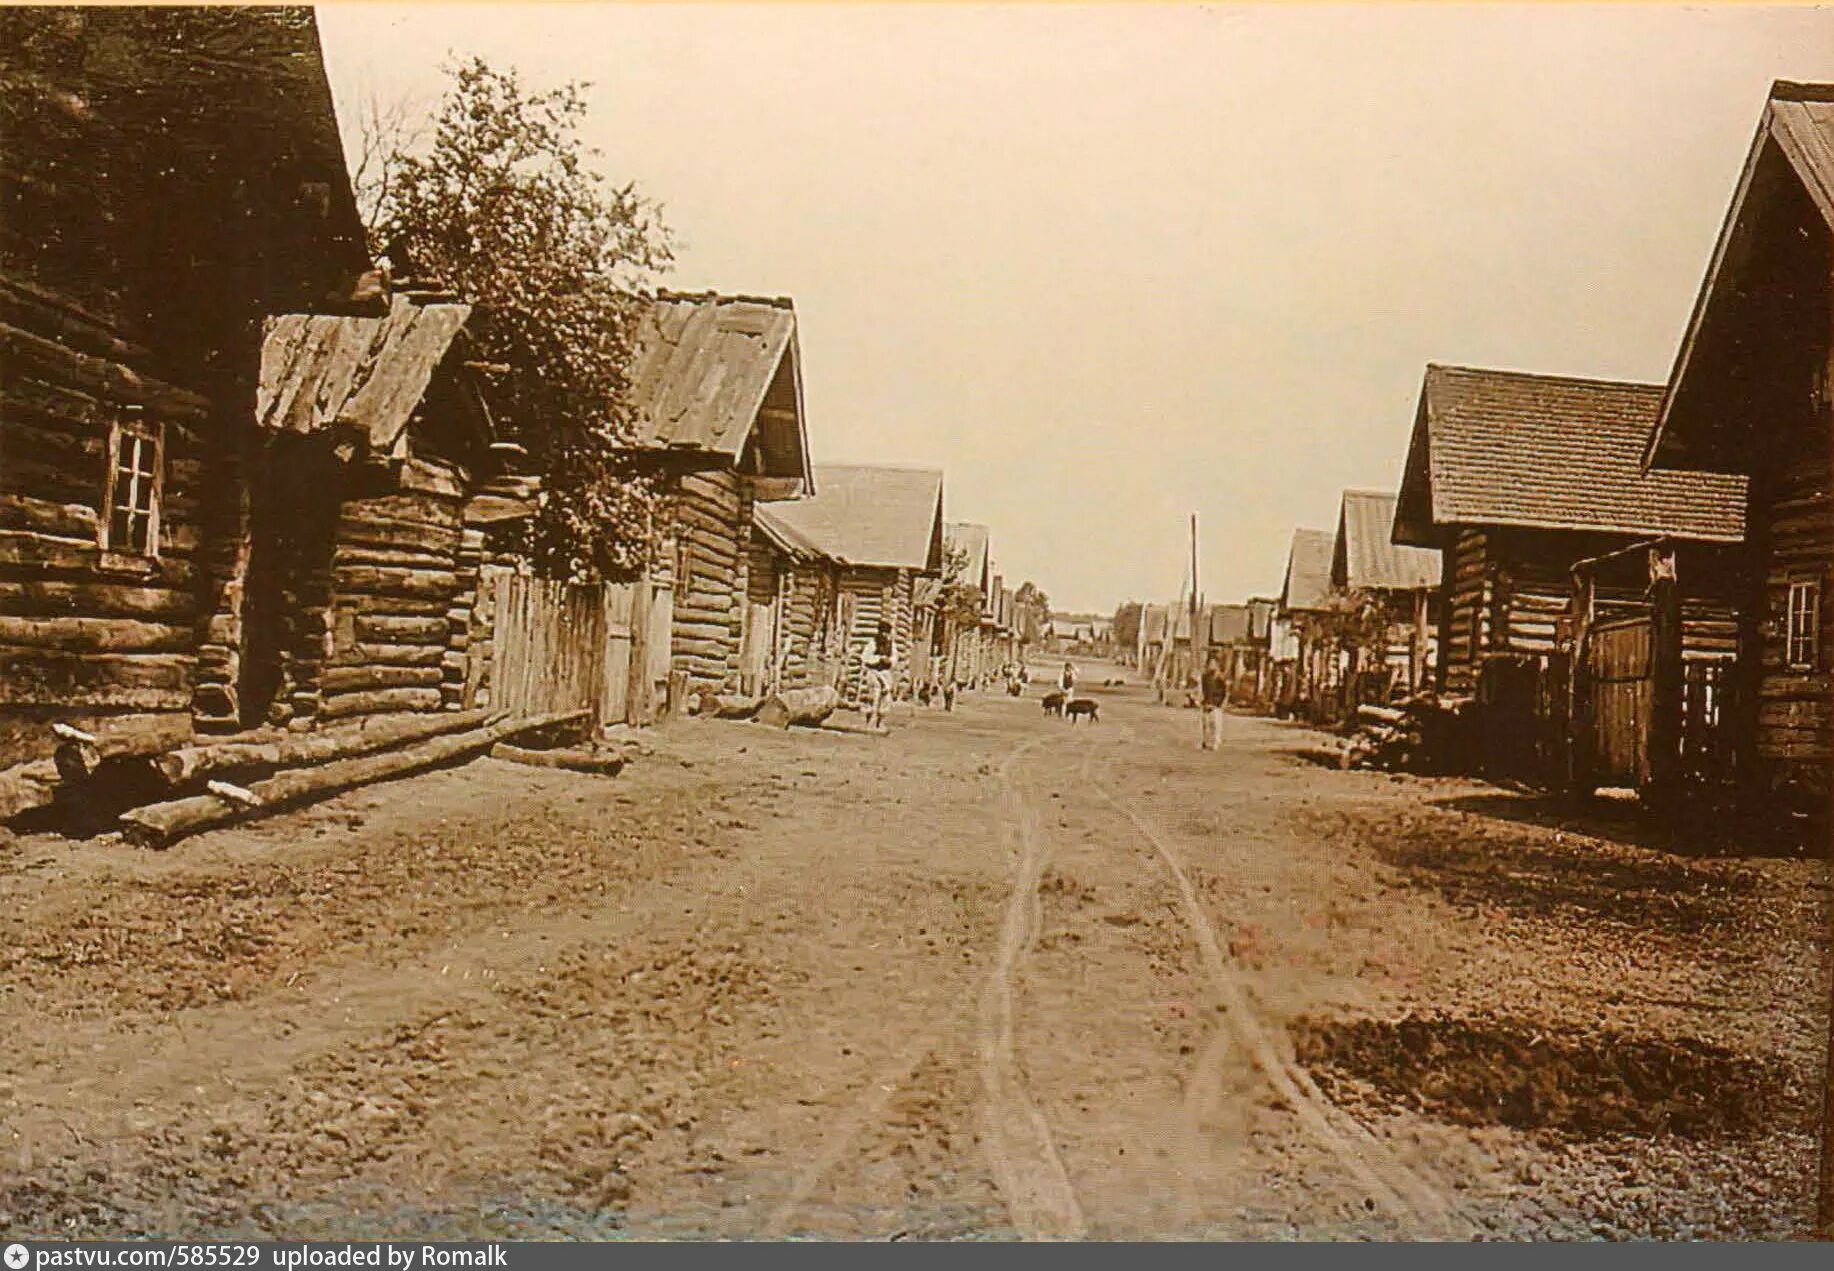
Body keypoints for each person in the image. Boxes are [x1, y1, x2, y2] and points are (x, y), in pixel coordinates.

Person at [860, 621, 895, 731]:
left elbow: (895, 658)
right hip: (874, 672)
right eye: (883, 632)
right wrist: (878, 659)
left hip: (885, 673)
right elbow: (864, 657)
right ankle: (870, 721)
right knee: (874, 696)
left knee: (886, 698)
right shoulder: (872, 643)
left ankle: (881, 722)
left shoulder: (891, 645)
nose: (885, 635)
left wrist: (889, 660)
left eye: (887, 633)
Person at [1200, 652, 1228, 751]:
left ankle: (1216, 742)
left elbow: (1225, 691)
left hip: (1217, 705)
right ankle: (1206, 742)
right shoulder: (1205, 677)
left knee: (1216, 725)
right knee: (1206, 725)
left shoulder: (1221, 678)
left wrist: (1222, 703)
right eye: (1210, 664)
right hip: (1207, 703)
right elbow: (1203, 690)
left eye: (1213, 664)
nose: (1211, 666)